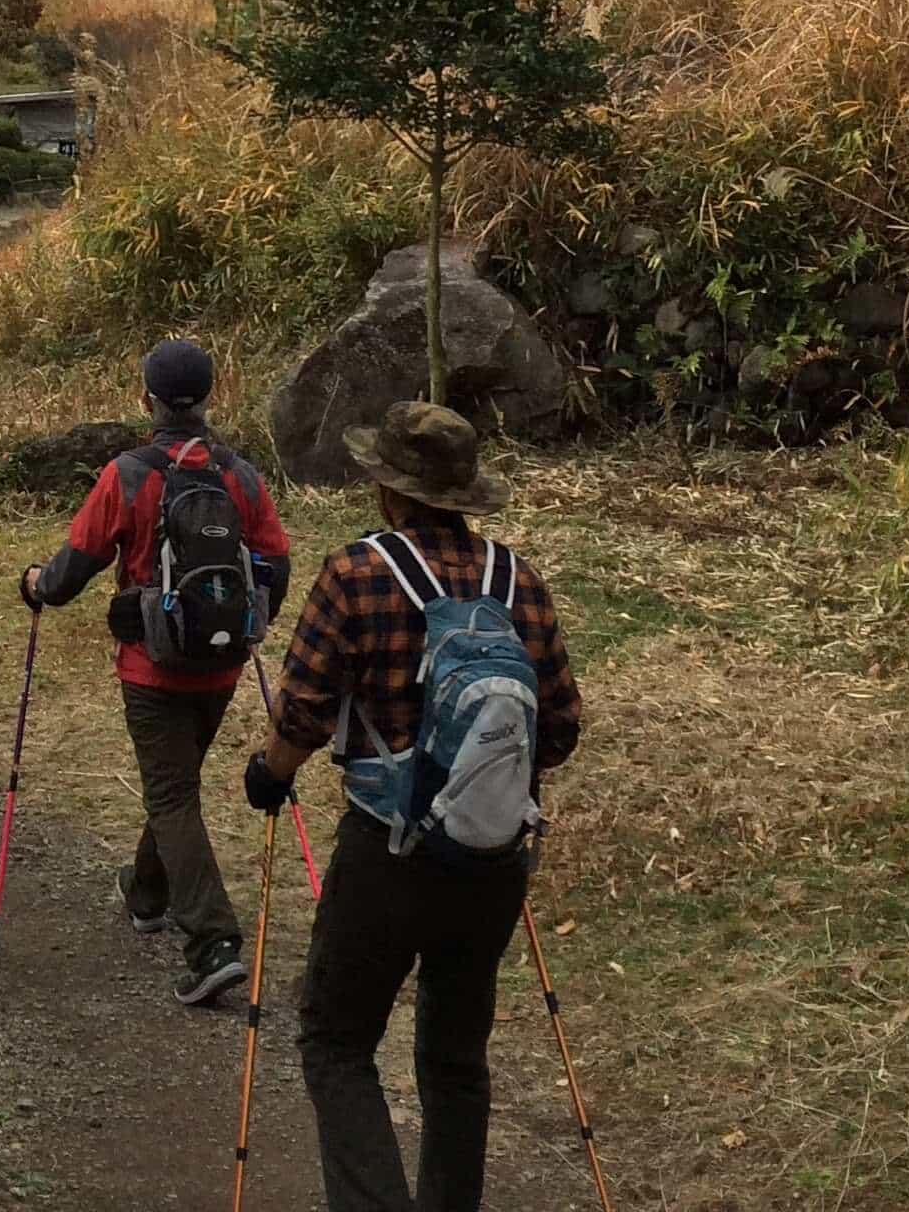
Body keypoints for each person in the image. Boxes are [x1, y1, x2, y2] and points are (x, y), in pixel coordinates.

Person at [241, 402, 581, 1212]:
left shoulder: (356, 573)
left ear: (389, 491)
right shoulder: (518, 582)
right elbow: (561, 731)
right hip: (493, 859)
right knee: (457, 1061)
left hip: (386, 854)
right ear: (465, 494)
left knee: (336, 1039)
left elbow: (303, 712)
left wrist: (269, 773)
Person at [17, 338, 290, 1008]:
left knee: (172, 796)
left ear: (148, 399)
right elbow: (276, 563)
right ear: (212, 396)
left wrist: (36, 587)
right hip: (222, 662)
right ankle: (146, 893)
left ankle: (213, 943)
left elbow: (74, 563)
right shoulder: (241, 476)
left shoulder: (130, 473)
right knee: (177, 786)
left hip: (152, 668)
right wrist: (246, 624)